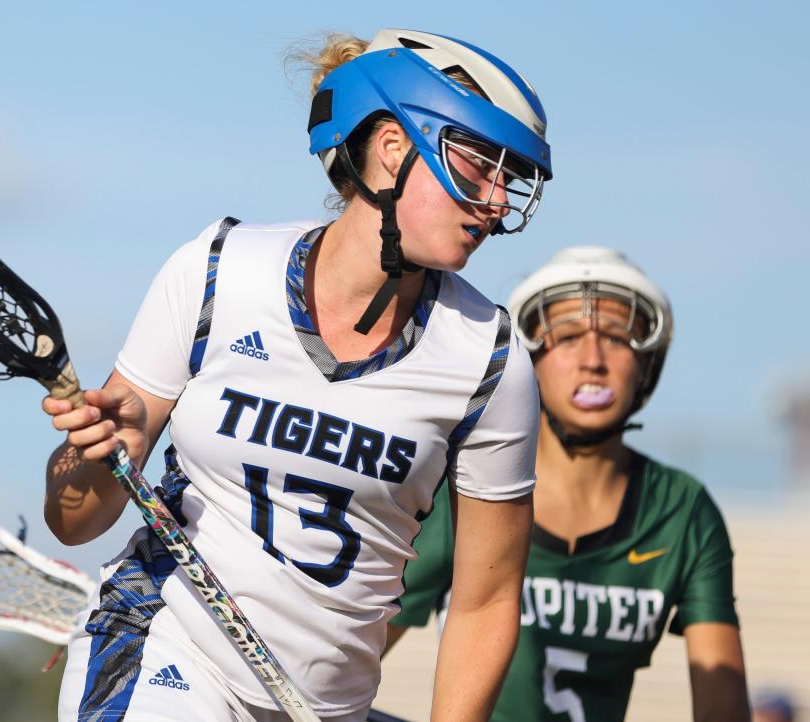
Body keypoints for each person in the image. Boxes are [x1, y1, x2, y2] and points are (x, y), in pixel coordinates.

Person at [42, 28, 553, 722]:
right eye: (476, 166)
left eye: (509, 179)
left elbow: (486, 598)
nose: (495, 202)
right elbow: (75, 520)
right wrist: (92, 458)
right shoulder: (217, 272)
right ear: (391, 149)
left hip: (325, 706)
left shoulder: (489, 360)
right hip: (167, 648)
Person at [387, 247, 750, 722]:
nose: (593, 360)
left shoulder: (683, 512)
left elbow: (722, 709)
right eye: (569, 336)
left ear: (648, 362)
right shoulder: (459, 489)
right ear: (527, 358)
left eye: (618, 338)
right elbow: (355, 657)